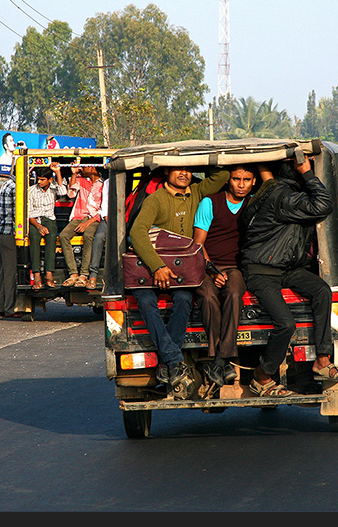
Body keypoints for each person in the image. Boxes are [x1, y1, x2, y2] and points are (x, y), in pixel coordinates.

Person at [239, 156, 338, 397]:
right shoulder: (283, 196)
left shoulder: (278, 190)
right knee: (286, 324)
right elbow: (323, 205)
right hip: (261, 270)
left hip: (284, 267)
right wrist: (308, 173)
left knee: (321, 290)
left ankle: (322, 359)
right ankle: (262, 376)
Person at [128, 164, 229, 395]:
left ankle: (168, 364)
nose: (183, 173)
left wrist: (198, 160)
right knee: (145, 302)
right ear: (166, 172)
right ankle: (174, 360)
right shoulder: (156, 199)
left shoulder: (196, 191)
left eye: (187, 169)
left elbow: (222, 175)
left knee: (183, 300)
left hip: (182, 272)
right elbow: (137, 232)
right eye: (177, 169)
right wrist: (158, 267)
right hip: (150, 269)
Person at [191, 164, 255, 389]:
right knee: (207, 296)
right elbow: (198, 243)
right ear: (228, 180)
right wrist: (211, 270)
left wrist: (224, 273)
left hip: (235, 267)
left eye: (246, 180)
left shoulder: (253, 204)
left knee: (235, 293)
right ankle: (223, 359)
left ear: (253, 182)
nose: (241, 184)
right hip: (205, 265)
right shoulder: (210, 202)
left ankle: (219, 360)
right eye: (237, 179)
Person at [60, 163, 103, 288]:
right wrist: (73, 174)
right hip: (79, 216)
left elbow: (102, 209)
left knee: (89, 236)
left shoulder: (103, 184)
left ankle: (84, 274)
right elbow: (71, 194)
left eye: (84, 166)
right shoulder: (81, 179)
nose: (82, 169)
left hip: (93, 218)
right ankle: (73, 273)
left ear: (92, 168)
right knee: (64, 236)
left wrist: (88, 223)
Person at [27, 162, 66, 288]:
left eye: (42, 180)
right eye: (38, 179)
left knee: (52, 238)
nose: (39, 182)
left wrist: (58, 171)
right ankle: (37, 274)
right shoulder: (31, 191)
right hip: (35, 221)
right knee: (34, 239)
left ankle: (49, 273)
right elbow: (29, 214)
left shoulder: (54, 187)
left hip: (49, 219)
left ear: (49, 180)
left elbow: (63, 192)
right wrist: (38, 226)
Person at [0, 169, 19, 318]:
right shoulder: (15, 187)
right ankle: (10, 308)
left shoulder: (6, 184)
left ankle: (1, 307)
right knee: (10, 272)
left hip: (2, 232)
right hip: (10, 233)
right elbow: (18, 213)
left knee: (4, 272)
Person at [85, 172, 109, 289]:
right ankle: (93, 275)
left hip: (124, 219)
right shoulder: (107, 183)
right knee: (98, 237)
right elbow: (104, 203)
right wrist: (106, 217)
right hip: (107, 219)